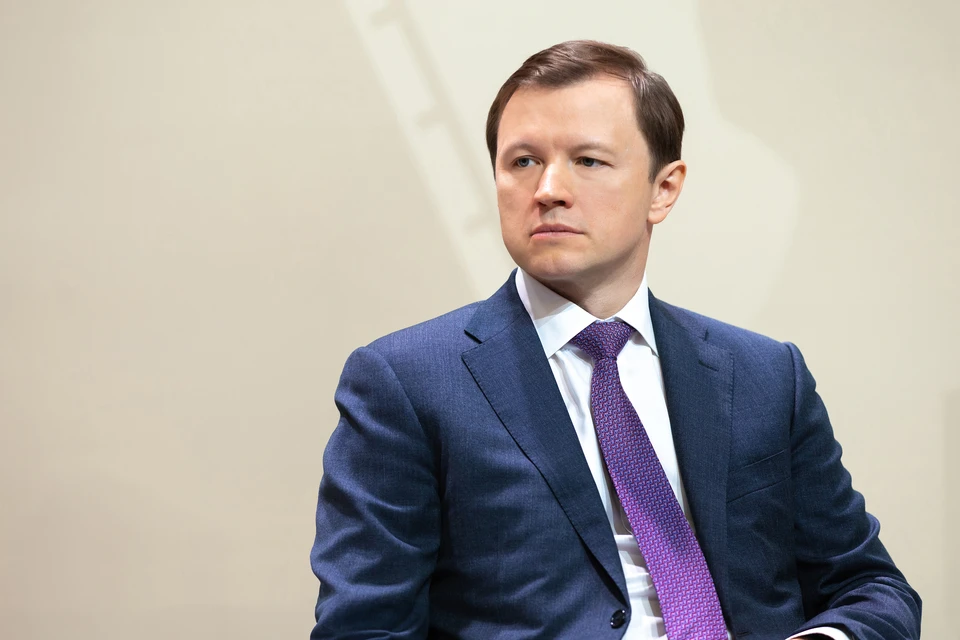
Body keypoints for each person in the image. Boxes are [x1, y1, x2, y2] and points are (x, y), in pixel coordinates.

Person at [309, 40, 921, 640]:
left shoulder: (765, 374)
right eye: (522, 162)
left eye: (588, 161)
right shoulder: (407, 382)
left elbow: (872, 588)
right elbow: (365, 628)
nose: (548, 189)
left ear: (664, 189)